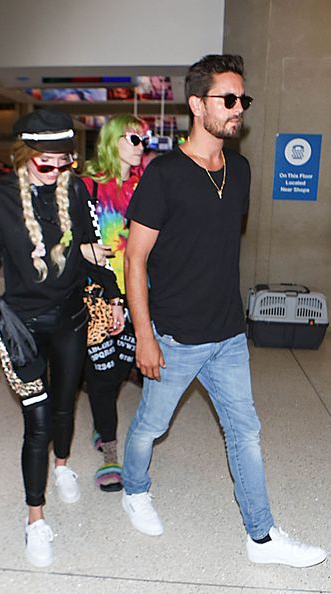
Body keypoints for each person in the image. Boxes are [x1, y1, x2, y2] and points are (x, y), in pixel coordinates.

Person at [121, 55, 327, 568]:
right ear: (197, 104)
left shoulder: (241, 170)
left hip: (229, 334)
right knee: (150, 426)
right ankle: (134, 488)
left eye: (243, 100)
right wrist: (144, 336)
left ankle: (261, 538)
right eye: (228, 100)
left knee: (246, 431)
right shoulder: (164, 174)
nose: (239, 110)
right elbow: (135, 257)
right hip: (174, 337)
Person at [0, 109, 124, 568]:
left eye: (65, 161)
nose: (56, 170)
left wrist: (113, 297)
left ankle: (63, 464)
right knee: (35, 423)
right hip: (23, 325)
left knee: (63, 403)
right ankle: (35, 519)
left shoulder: (75, 189)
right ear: (24, 156)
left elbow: (92, 248)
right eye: (46, 163)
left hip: (73, 317)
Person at [79, 114, 148, 492]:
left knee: (123, 368)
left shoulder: (145, 186)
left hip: (137, 291)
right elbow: (60, 235)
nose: (142, 145)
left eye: (144, 139)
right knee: (103, 375)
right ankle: (110, 451)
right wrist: (82, 248)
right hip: (98, 294)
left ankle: (99, 421)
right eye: (134, 138)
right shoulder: (86, 185)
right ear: (113, 141)